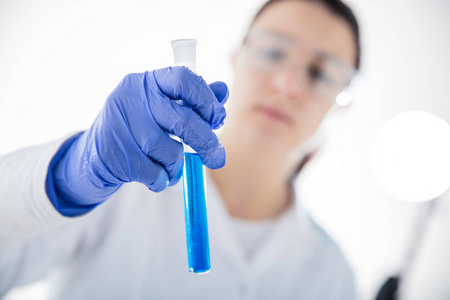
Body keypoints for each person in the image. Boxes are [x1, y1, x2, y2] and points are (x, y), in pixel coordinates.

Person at [0, 0, 361, 299]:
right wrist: (68, 177)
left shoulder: (334, 278)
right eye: (273, 52)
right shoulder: (123, 180)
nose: (287, 85)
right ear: (237, 58)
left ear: (340, 101)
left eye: (320, 73)